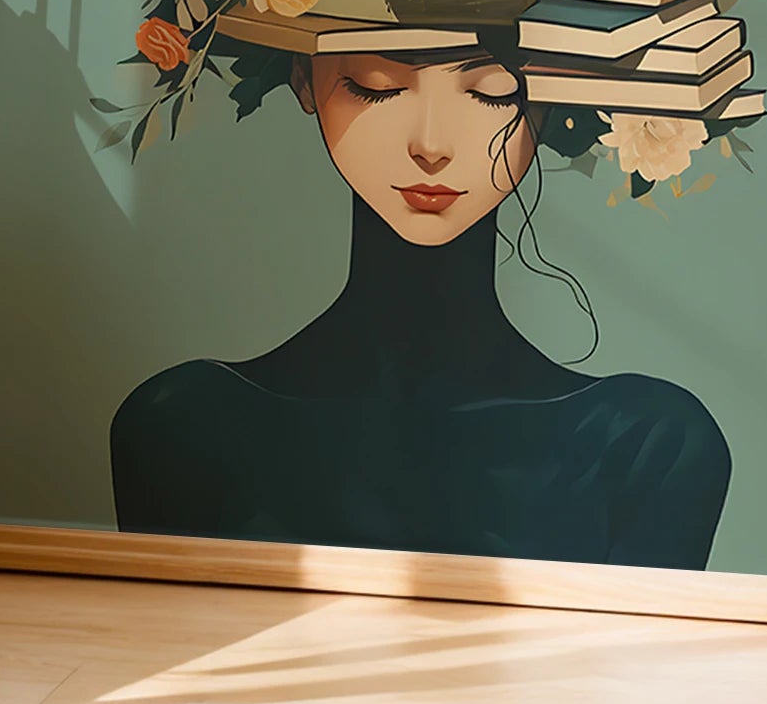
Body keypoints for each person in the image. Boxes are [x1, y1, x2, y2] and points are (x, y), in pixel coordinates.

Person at [109, 40, 731, 568]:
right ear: (304, 78)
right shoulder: (183, 429)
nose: (431, 144)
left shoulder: (646, 449)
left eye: (491, 92)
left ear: (548, 97)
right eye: (376, 87)